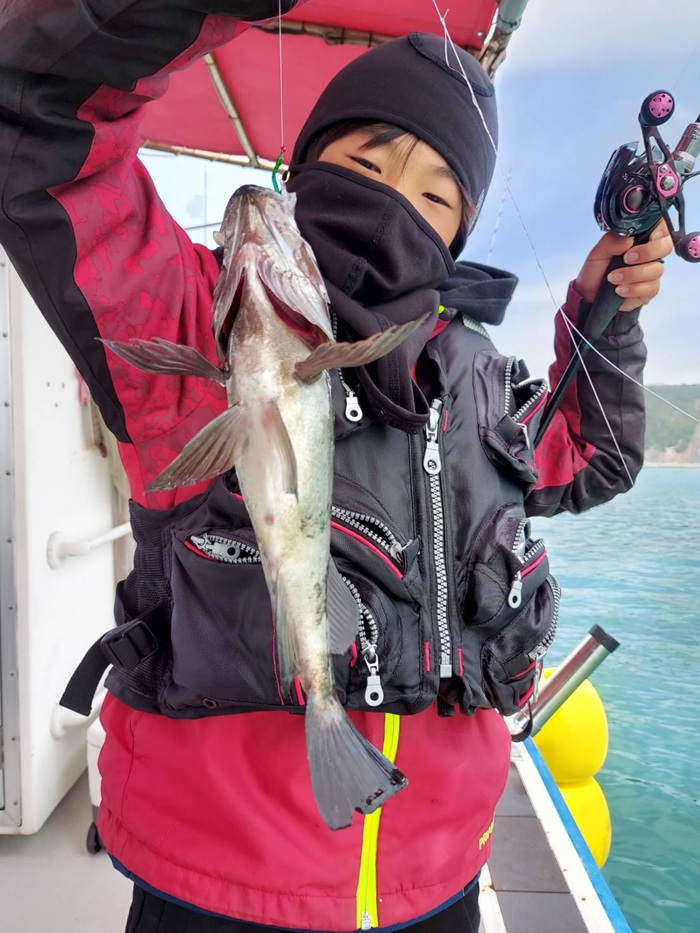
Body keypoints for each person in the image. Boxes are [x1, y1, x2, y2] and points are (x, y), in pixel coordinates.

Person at [0, 3, 672, 932]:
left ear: (457, 237)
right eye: (367, 161)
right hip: (218, 886)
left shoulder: (478, 383)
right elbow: (32, 109)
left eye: (436, 196)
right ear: (305, 168)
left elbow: (595, 456)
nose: (394, 201)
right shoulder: (196, 320)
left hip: (439, 881)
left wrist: (608, 315)